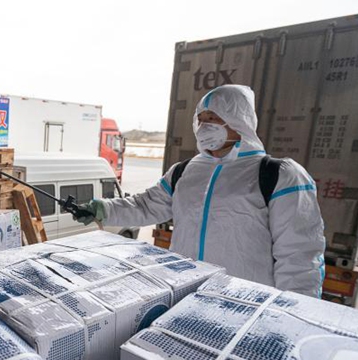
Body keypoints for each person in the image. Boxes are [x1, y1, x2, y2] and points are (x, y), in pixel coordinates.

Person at [77, 85, 325, 297]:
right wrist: (102, 209)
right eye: (202, 118)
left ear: (240, 120)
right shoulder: (184, 171)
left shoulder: (279, 174)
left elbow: (299, 255)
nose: (205, 125)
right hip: (186, 294)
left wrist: (295, 312)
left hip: (245, 303)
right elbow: (145, 206)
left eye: (214, 118)